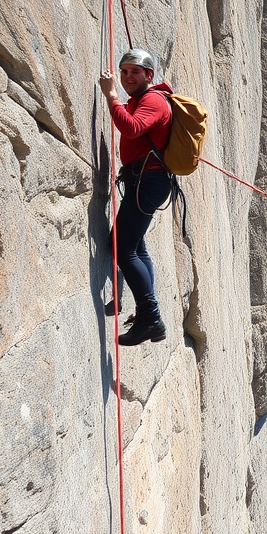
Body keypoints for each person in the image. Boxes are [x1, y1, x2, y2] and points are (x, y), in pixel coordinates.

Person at [98, 49, 174, 346]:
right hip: (144, 180)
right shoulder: (142, 100)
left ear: (149, 75)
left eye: (135, 72)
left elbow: (131, 129)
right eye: (124, 71)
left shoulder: (153, 100)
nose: (128, 77)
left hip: (148, 181)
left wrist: (111, 96)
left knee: (120, 246)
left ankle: (151, 318)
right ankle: (146, 313)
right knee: (135, 246)